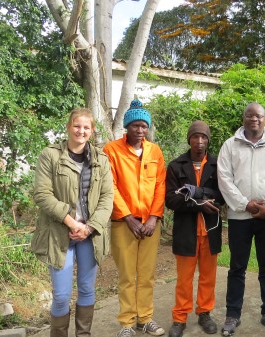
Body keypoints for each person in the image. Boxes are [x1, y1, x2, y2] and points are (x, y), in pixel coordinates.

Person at [31, 108, 114, 337]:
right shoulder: (51, 156)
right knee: (61, 295)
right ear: (68, 127)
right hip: (60, 234)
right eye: (77, 126)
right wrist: (71, 222)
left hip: (89, 235)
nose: (81, 131)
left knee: (87, 289)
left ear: (92, 131)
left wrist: (88, 227)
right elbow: (42, 194)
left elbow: (108, 197)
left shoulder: (100, 159)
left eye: (86, 127)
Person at [217, 102, 265, 336]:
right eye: (250, 115)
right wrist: (245, 204)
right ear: (243, 118)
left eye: (259, 116)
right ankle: (232, 314)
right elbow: (224, 180)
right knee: (237, 267)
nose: (254, 119)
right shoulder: (230, 146)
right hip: (240, 217)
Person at [103, 99, 167, 337]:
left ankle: (145, 318)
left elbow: (160, 186)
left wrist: (153, 218)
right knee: (128, 275)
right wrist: (128, 217)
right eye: (135, 126)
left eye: (144, 126)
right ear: (127, 128)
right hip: (124, 224)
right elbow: (111, 187)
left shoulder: (154, 151)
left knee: (147, 274)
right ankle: (127, 323)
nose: (140, 131)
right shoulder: (112, 151)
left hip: (150, 225)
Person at [165, 121, 224, 337]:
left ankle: (204, 313)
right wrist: (198, 202)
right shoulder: (176, 166)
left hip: (210, 230)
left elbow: (223, 195)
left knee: (208, 276)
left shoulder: (218, 165)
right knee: (184, 278)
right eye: (195, 137)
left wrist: (194, 192)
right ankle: (179, 318)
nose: (199, 141)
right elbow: (171, 199)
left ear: (208, 140)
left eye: (204, 137)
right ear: (189, 139)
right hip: (186, 230)